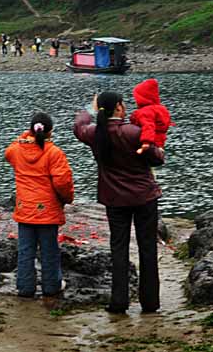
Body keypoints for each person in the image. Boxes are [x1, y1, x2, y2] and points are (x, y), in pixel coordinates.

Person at [73, 92, 164, 314]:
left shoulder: (96, 133)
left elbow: (79, 125)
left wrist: (90, 108)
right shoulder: (134, 132)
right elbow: (157, 158)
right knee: (147, 248)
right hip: (144, 197)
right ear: (120, 108)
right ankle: (150, 302)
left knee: (118, 248)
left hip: (114, 198)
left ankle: (119, 301)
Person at [5, 113, 74, 298]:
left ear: (31, 130)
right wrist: (67, 199)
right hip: (47, 209)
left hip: (24, 207)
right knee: (49, 249)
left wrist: (26, 135)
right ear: (50, 131)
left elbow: (9, 150)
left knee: (25, 249)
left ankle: (25, 287)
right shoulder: (54, 153)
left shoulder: (17, 150)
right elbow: (63, 182)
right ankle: (51, 286)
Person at [129, 79, 174, 154]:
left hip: (150, 142)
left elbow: (148, 126)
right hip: (160, 141)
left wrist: (146, 142)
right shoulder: (161, 109)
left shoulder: (145, 111)